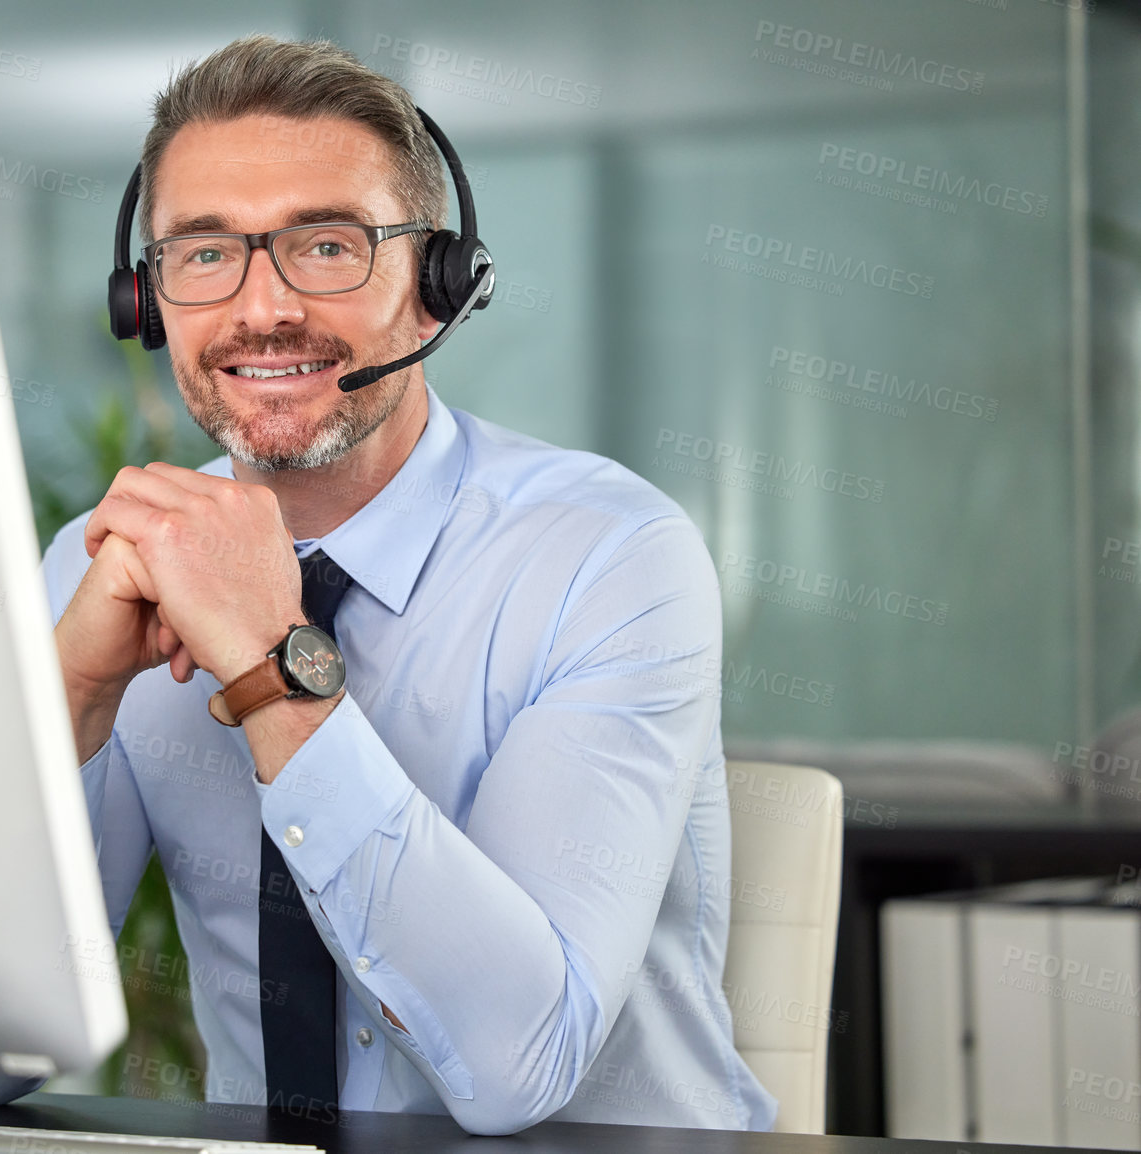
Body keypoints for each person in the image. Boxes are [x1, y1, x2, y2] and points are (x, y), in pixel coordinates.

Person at [42, 34, 777, 1137]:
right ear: (145, 300)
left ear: (441, 284)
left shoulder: (611, 558)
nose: (261, 308)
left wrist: (269, 662)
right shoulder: (104, 558)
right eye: (203, 255)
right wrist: (69, 696)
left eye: (327, 245)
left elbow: (516, 1067)